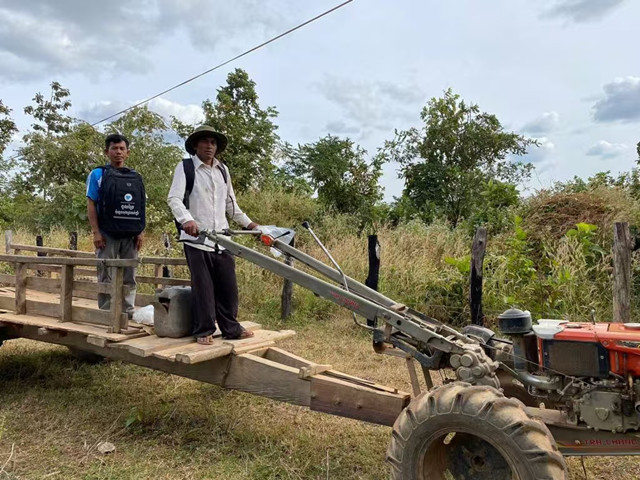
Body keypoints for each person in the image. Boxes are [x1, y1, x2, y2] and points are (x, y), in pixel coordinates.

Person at [167, 125, 258, 344]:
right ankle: (204, 330)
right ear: (196, 145)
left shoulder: (222, 171)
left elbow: (231, 206)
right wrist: (187, 219)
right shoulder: (186, 167)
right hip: (197, 239)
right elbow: (174, 199)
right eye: (205, 141)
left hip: (222, 238)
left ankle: (231, 328)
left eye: (213, 142)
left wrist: (251, 225)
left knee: (228, 287)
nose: (209, 146)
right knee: (204, 287)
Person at [86, 133, 145, 318]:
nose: (118, 152)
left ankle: (127, 311)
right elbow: (91, 204)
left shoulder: (135, 176)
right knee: (105, 272)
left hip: (130, 234)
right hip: (107, 233)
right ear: (106, 152)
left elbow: (140, 206)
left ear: (128, 152)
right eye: (114, 148)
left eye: (122, 149)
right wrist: (96, 232)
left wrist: (141, 231)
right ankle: (106, 312)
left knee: (130, 273)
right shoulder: (98, 174)